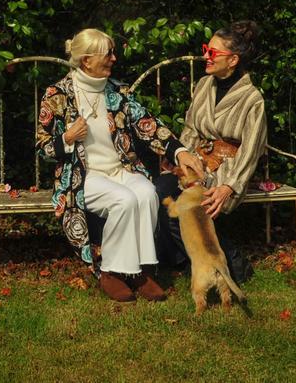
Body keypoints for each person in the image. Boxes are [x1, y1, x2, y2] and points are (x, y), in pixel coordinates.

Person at [36, 28, 206, 302]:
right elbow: (42, 147)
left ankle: (140, 271)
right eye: (108, 54)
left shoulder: (118, 92)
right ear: (86, 60)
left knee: (147, 193)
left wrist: (180, 152)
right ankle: (111, 272)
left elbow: (148, 125)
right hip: (83, 176)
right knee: (124, 200)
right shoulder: (57, 94)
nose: (114, 58)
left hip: (120, 169)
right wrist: (67, 138)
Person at [155, 20, 266, 284]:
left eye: (213, 52)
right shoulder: (205, 84)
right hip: (196, 164)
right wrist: (179, 159)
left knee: (192, 206)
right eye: (207, 48)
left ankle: (233, 263)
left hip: (230, 171)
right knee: (158, 192)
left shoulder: (253, 99)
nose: (206, 55)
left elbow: (250, 151)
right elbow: (191, 128)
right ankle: (186, 262)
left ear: (233, 60)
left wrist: (229, 186)